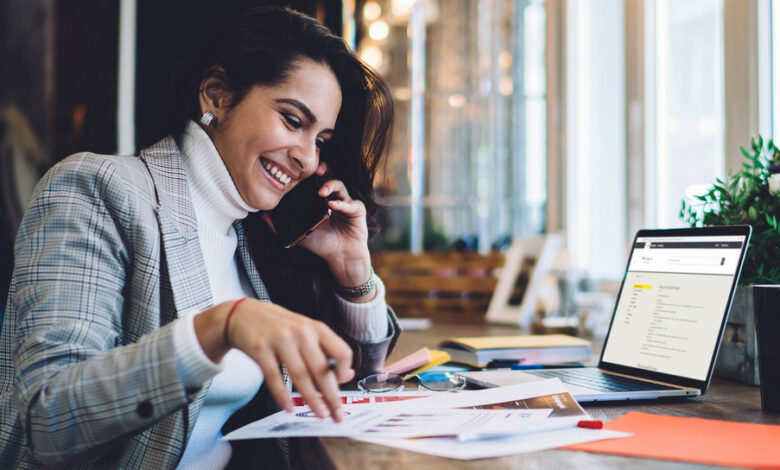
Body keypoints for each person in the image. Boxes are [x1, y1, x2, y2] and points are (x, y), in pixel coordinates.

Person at [0, 7, 398, 469]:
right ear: (216, 96)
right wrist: (216, 329)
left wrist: (353, 273)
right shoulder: (97, 189)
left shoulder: (249, 236)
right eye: (292, 121)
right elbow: (46, 421)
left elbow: (356, 383)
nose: (308, 160)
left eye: (321, 140)